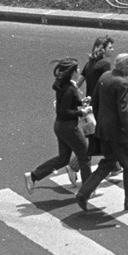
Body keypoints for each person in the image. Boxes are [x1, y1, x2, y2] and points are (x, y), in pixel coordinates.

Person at [77, 53, 128, 212]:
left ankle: (84, 192)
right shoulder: (122, 83)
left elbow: (95, 101)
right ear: (125, 67)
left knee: (108, 163)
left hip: (103, 130)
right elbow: (124, 113)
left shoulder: (105, 76)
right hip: (117, 133)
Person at [23, 58, 94, 195]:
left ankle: (33, 176)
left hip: (60, 127)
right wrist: (82, 112)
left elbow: (67, 105)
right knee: (84, 156)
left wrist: (81, 102)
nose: (79, 71)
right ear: (72, 72)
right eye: (77, 69)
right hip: (69, 128)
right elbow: (63, 111)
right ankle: (87, 189)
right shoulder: (70, 89)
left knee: (63, 159)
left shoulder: (64, 86)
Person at [76, 35, 116, 179]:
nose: (113, 49)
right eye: (110, 47)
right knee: (101, 137)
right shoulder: (105, 63)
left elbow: (78, 83)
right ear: (103, 49)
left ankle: (115, 166)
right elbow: (106, 83)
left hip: (90, 105)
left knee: (97, 137)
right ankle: (73, 166)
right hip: (99, 105)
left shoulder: (89, 63)